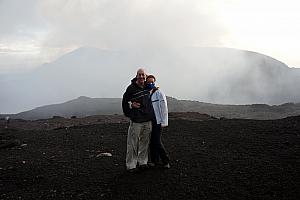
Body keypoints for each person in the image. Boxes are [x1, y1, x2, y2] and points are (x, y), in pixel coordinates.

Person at [122, 68, 154, 172]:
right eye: (139, 75)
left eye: (143, 75)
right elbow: (125, 101)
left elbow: (154, 94)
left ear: (145, 76)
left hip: (147, 120)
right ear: (136, 76)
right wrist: (130, 110)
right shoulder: (131, 88)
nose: (141, 77)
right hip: (136, 120)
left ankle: (143, 162)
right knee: (132, 143)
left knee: (145, 142)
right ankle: (131, 165)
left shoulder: (148, 86)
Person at [146, 75, 170, 169]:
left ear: (155, 82)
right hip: (149, 121)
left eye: (152, 82)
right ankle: (154, 160)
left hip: (158, 121)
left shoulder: (159, 92)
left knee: (156, 141)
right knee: (151, 141)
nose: (150, 83)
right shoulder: (147, 93)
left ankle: (166, 160)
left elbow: (164, 107)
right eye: (148, 82)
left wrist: (164, 122)